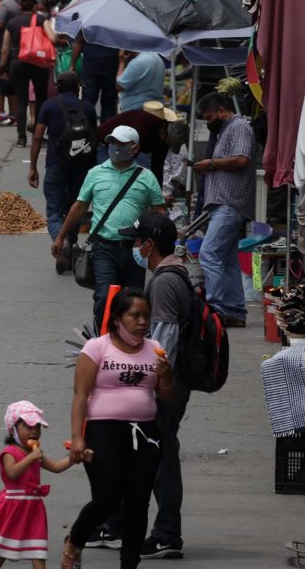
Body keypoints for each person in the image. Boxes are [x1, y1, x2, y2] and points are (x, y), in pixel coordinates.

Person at [85, 212, 191, 559]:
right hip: (162, 383)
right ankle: (119, 526)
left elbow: (165, 342)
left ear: (149, 244)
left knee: (159, 459)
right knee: (139, 454)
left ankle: (165, 534)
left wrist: (153, 381)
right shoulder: (171, 275)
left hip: (164, 385)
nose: (133, 247)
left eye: (136, 241)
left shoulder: (163, 283)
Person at [65, 288, 175, 569]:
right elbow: (80, 395)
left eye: (146, 316)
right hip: (104, 431)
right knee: (108, 497)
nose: (142, 322)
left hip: (145, 432)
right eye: (134, 316)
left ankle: (129, 563)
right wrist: (78, 437)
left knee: (138, 502)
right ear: (117, 318)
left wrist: (166, 377)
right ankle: (76, 539)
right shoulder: (97, 348)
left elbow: (166, 396)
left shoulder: (155, 348)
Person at [52, 126, 165, 331]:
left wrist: (160, 245)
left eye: (121, 143)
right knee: (105, 297)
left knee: (134, 301)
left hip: (135, 251)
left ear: (134, 148)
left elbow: (159, 213)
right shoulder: (95, 173)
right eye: (112, 142)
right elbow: (79, 207)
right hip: (104, 249)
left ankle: (131, 347)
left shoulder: (147, 177)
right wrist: (61, 237)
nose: (115, 147)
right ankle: (102, 343)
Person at [0, 401, 77, 565]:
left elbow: (55, 467)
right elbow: (12, 473)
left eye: (37, 427)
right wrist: (31, 458)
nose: (34, 431)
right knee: (2, 548)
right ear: (13, 430)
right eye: (28, 427)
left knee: (37, 549)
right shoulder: (10, 452)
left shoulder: (35, 453)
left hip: (33, 507)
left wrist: (74, 459)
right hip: (13, 506)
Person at [191, 93, 255, 327]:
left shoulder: (238, 127)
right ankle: (235, 311)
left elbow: (242, 159)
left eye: (209, 117)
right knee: (227, 259)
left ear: (221, 111)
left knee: (209, 254)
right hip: (223, 204)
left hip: (231, 203)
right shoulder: (225, 130)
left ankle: (217, 308)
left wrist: (212, 163)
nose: (208, 123)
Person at [30, 72, 98, 274]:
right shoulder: (88, 108)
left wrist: (32, 166)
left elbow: (37, 137)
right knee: (75, 208)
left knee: (53, 210)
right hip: (82, 167)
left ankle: (64, 243)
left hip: (56, 165)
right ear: (78, 87)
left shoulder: (49, 106)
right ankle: (70, 245)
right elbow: (94, 140)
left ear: (58, 86)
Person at [0, 0, 55, 148]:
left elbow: (5, 49)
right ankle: (38, 134)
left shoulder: (12, 23)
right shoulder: (40, 19)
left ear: (20, 8)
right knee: (40, 99)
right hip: (38, 62)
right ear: (34, 7)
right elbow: (53, 37)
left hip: (18, 62)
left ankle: (21, 137)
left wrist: (2, 66)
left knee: (21, 101)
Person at [97, 105, 171, 184]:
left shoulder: (164, 141)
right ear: (163, 134)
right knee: (111, 179)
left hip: (124, 146)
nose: (169, 147)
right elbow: (127, 159)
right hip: (104, 142)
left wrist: (158, 193)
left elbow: (157, 168)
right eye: (170, 144)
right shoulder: (144, 126)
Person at [71, 36, 120, 123]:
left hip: (91, 66)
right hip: (112, 66)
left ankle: (85, 131)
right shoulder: (121, 23)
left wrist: (72, 65)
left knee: (87, 103)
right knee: (109, 105)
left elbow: (79, 41)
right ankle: (104, 133)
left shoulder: (90, 22)